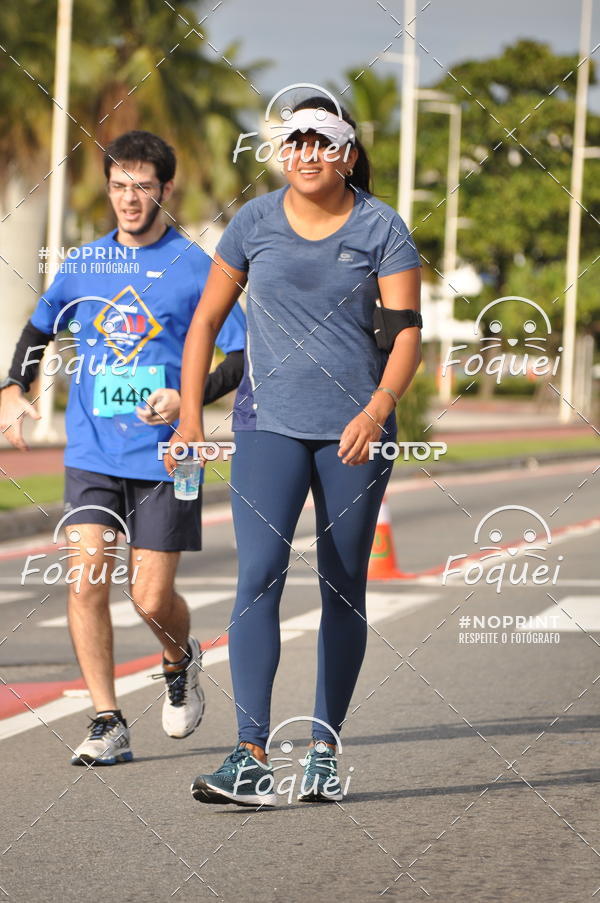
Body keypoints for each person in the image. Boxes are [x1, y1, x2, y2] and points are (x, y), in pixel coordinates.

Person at [166, 96, 422, 806]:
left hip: (355, 432)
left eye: (321, 141)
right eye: (295, 141)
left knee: (342, 583)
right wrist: (190, 416)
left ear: (346, 153)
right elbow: (206, 322)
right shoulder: (253, 222)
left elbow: (406, 334)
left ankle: (324, 752)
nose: (306, 153)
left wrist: (378, 408)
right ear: (282, 152)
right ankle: (250, 753)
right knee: (258, 575)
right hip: (266, 424)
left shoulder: (381, 226)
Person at [0, 130, 246, 765]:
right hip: (92, 453)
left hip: (169, 457)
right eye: (118, 186)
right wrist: (13, 388)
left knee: (149, 599)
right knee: (86, 583)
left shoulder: (197, 267)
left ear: (166, 189)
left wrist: (187, 399)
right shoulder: (84, 262)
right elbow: (37, 330)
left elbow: (242, 356)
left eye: (142, 186)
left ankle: (178, 657)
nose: (129, 199)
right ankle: (107, 720)